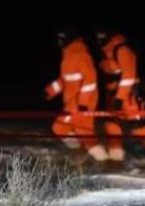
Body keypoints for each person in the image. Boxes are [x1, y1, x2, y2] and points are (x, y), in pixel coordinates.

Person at [95, 28, 145, 170]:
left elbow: (129, 76)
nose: (99, 38)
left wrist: (120, 98)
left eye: (102, 34)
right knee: (112, 127)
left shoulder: (122, 50)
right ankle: (116, 161)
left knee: (138, 128)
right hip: (114, 97)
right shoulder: (106, 52)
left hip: (129, 99)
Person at [45, 28, 109, 166]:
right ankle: (80, 152)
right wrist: (50, 91)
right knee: (60, 127)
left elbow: (90, 79)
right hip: (71, 103)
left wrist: (84, 103)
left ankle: (105, 162)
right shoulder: (68, 55)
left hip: (82, 104)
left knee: (84, 133)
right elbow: (65, 79)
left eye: (61, 38)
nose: (59, 42)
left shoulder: (80, 54)